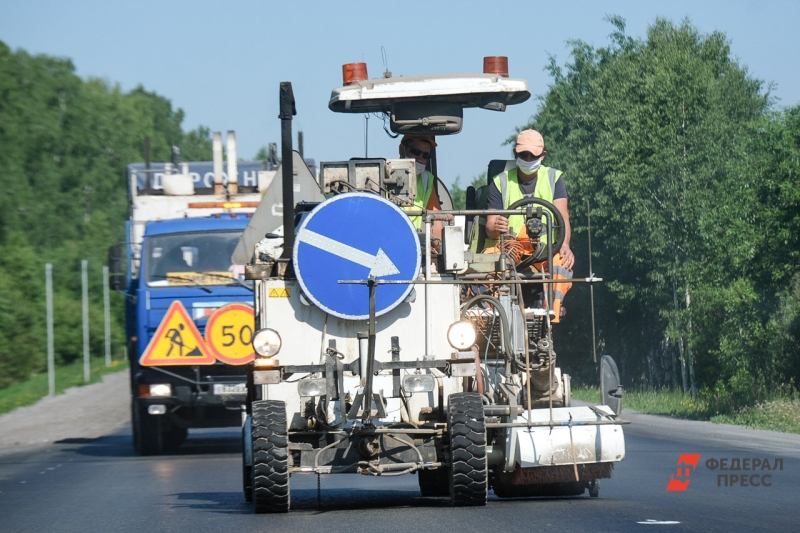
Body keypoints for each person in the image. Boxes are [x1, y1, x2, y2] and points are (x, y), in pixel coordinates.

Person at [484, 129, 573, 323]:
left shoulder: (554, 178)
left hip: (545, 251)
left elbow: (563, 218)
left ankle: (550, 313)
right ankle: (494, 312)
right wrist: (496, 225)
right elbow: (490, 226)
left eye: (532, 155)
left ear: (543, 155)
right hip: (510, 249)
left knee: (562, 262)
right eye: (523, 154)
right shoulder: (500, 182)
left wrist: (564, 244)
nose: (528, 158)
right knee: (488, 261)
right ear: (515, 154)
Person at [399, 134, 448, 239]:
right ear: (402, 150)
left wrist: (436, 246)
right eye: (416, 152)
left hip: (413, 242)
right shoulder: (382, 176)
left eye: (425, 155)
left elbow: (436, 220)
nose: (420, 158)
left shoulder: (427, 180)